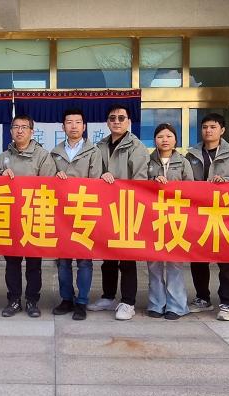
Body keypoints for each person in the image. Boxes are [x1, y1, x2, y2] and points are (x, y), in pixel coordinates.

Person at [90, 104, 150, 321]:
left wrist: (115, 183)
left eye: (121, 118)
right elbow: (94, 173)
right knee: (107, 256)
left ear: (129, 122)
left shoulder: (137, 147)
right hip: (105, 208)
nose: (117, 121)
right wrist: (102, 177)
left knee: (126, 257)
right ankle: (108, 296)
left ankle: (128, 302)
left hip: (127, 207)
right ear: (107, 122)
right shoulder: (99, 146)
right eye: (112, 118)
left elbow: (140, 179)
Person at [185, 113, 229, 321]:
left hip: (223, 214)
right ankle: (202, 298)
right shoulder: (192, 154)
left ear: (222, 130)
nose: (208, 131)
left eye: (213, 127)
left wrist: (226, 181)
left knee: (225, 260)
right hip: (198, 213)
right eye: (205, 127)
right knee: (198, 258)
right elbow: (185, 181)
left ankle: (227, 303)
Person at [0, 114, 56, 318]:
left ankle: (32, 300)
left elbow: (49, 186)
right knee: (12, 263)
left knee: (34, 264)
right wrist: (0, 176)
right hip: (9, 217)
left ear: (32, 131)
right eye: (16, 127)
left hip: (33, 216)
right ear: (11, 131)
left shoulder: (43, 156)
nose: (19, 130)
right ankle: (13, 300)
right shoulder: (2, 157)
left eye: (24, 127)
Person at [49, 109, 103, 321]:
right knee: (63, 261)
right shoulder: (54, 152)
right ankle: (66, 299)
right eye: (69, 122)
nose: (73, 126)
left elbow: (95, 181)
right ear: (63, 127)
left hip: (84, 211)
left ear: (84, 126)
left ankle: (82, 301)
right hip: (61, 214)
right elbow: (47, 179)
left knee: (84, 261)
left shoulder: (93, 152)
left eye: (78, 122)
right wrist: (55, 175)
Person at [146, 123, 195, 320]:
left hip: (176, 217)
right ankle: (156, 304)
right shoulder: (148, 162)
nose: (164, 140)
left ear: (175, 140)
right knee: (154, 262)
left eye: (169, 136)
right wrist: (153, 183)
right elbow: (138, 186)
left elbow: (192, 189)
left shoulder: (183, 162)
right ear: (155, 140)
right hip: (153, 217)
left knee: (175, 263)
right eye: (160, 136)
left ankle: (176, 306)